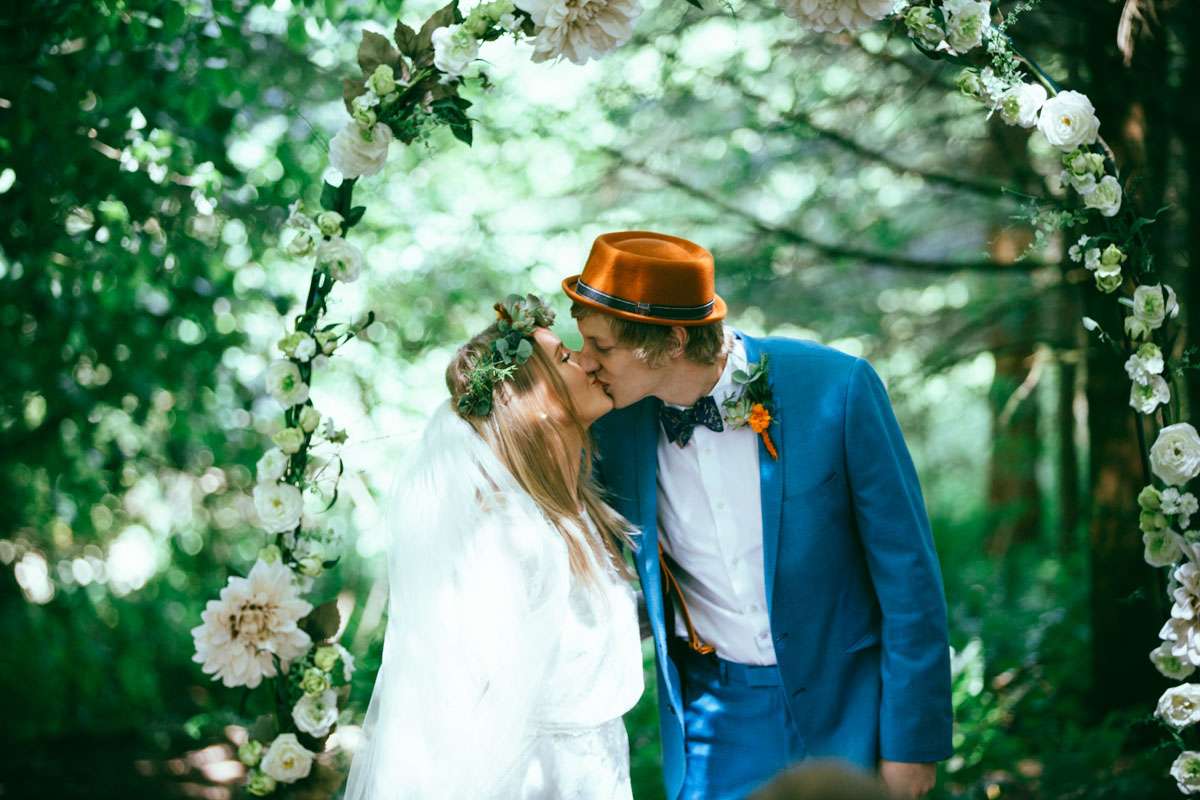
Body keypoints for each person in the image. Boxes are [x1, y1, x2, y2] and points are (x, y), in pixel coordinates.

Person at [561, 231, 953, 800]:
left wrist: (912, 744)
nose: (585, 361)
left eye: (602, 346)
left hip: (850, 707)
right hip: (715, 721)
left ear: (671, 340)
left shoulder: (836, 387)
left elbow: (908, 575)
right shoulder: (611, 425)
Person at [342, 294, 644, 799]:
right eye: (567, 358)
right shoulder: (508, 530)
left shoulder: (574, 513)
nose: (589, 361)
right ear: (534, 400)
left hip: (596, 772)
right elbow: (469, 699)